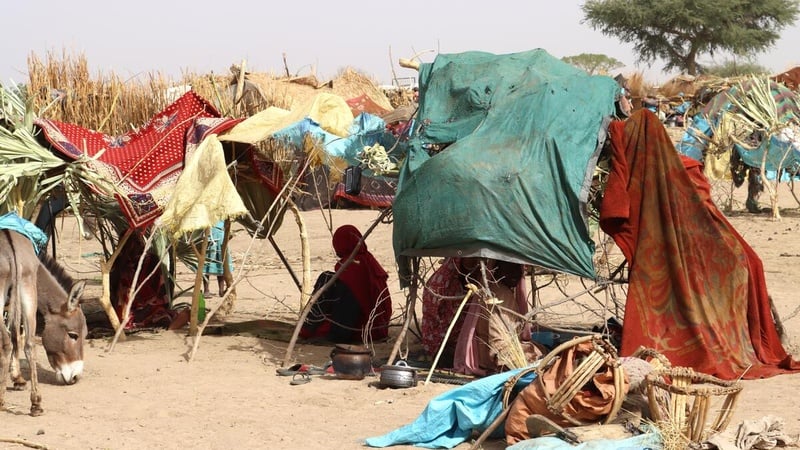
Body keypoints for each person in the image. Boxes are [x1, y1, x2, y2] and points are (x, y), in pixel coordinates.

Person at [300, 225, 392, 343]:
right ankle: (309, 326)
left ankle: (309, 327)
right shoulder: (368, 260)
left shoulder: (353, 268)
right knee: (328, 278)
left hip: (364, 329)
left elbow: (350, 304)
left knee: (333, 283)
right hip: (378, 326)